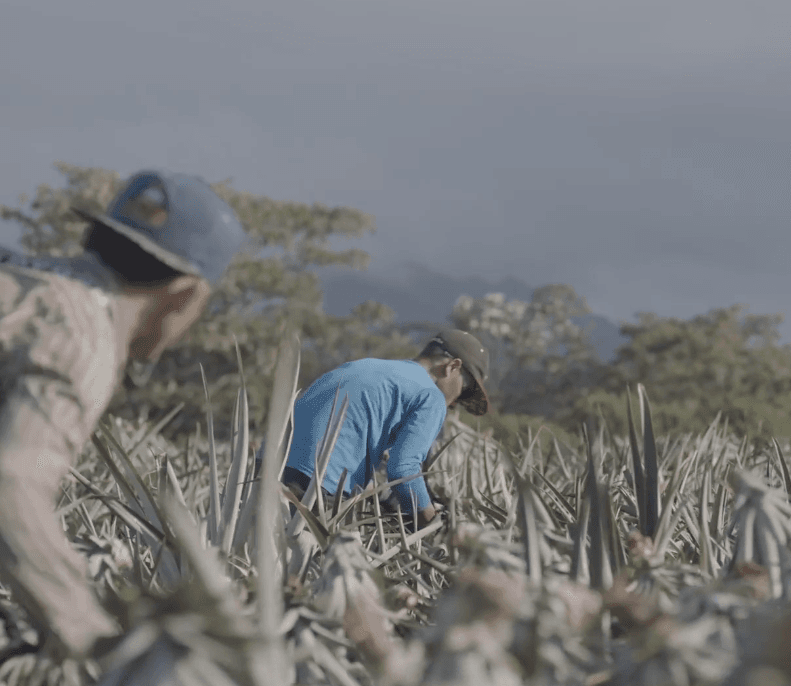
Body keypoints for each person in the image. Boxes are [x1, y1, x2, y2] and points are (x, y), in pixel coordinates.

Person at [0, 170, 246, 659]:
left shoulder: (27, 279)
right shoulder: (82, 335)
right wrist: (92, 634)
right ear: (186, 295)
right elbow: (12, 484)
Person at [280, 329, 490, 528]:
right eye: (462, 389)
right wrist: (431, 524)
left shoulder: (362, 366)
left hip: (269, 473)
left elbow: (335, 445)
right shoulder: (430, 395)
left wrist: (383, 496)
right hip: (317, 491)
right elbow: (404, 470)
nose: (454, 403)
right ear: (452, 366)